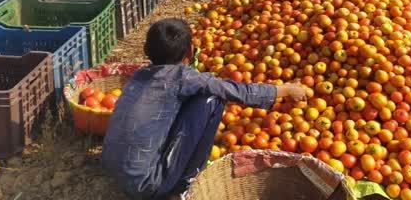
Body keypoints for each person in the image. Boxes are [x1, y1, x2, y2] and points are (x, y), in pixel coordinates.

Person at [101, 18, 306, 200]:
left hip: (114, 170)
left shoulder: (137, 76)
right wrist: (286, 89)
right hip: (148, 186)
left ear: (146, 51)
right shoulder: (183, 77)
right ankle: (183, 186)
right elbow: (235, 90)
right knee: (212, 98)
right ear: (190, 52)